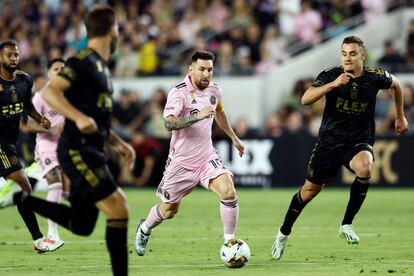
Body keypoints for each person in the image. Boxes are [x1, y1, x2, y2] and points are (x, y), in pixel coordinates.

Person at [0, 5, 135, 276]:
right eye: (118, 28)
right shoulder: (82, 63)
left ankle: (23, 199)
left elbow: (96, 117)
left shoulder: (101, 67)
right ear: (112, 31)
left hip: (93, 147)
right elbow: (50, 93)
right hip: (78, 150)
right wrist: (77, 118)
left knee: (83, 224)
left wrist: (119, 143)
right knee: (119, 208)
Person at [270, 36, 408, 260]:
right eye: (344, 54)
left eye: (353, 54)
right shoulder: (330, 75)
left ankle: (347, 224)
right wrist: (333, 85)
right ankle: (283, 232)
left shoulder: (375, 77)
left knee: (365, 168)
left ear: (362, 55)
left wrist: (400, 117)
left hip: (358, 141)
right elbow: (305, 99)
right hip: (329, 143)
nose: (347, 58)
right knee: (307, 193)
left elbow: (396, 84)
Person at [134, 50, 245, 256]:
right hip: (181, 163)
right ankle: (144, 228)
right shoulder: (179, 93)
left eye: (210, 70)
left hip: (206, 157)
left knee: (229, 193)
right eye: (201, 69)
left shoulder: (214, 90)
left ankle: (230, 244)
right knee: (169, 211)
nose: (206, 74)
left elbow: (219, 111)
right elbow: (168, 123)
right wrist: (197, 117)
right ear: (191, 68)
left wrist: (233, 137)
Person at [0, 39, 56, 252]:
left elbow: (27, 106)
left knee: (22, 187)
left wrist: (40, 118)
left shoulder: (24, 80)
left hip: (10, 142)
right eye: (8, 55)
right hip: (0, 144)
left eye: (15, 55)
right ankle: (39, 239)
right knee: (24, 184)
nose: (13, 58)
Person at [29, 58, 66, 248]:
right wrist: (50, 130)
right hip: (47, 147)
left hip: (67, 148)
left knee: (67, 192)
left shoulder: (72, 95)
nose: (60, 71)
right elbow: (28, 124)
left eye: (63, 68)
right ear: (49, 73)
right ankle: (52, 235)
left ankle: (32, 176)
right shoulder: (41, 96)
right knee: (55, 183)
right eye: (56, 68)